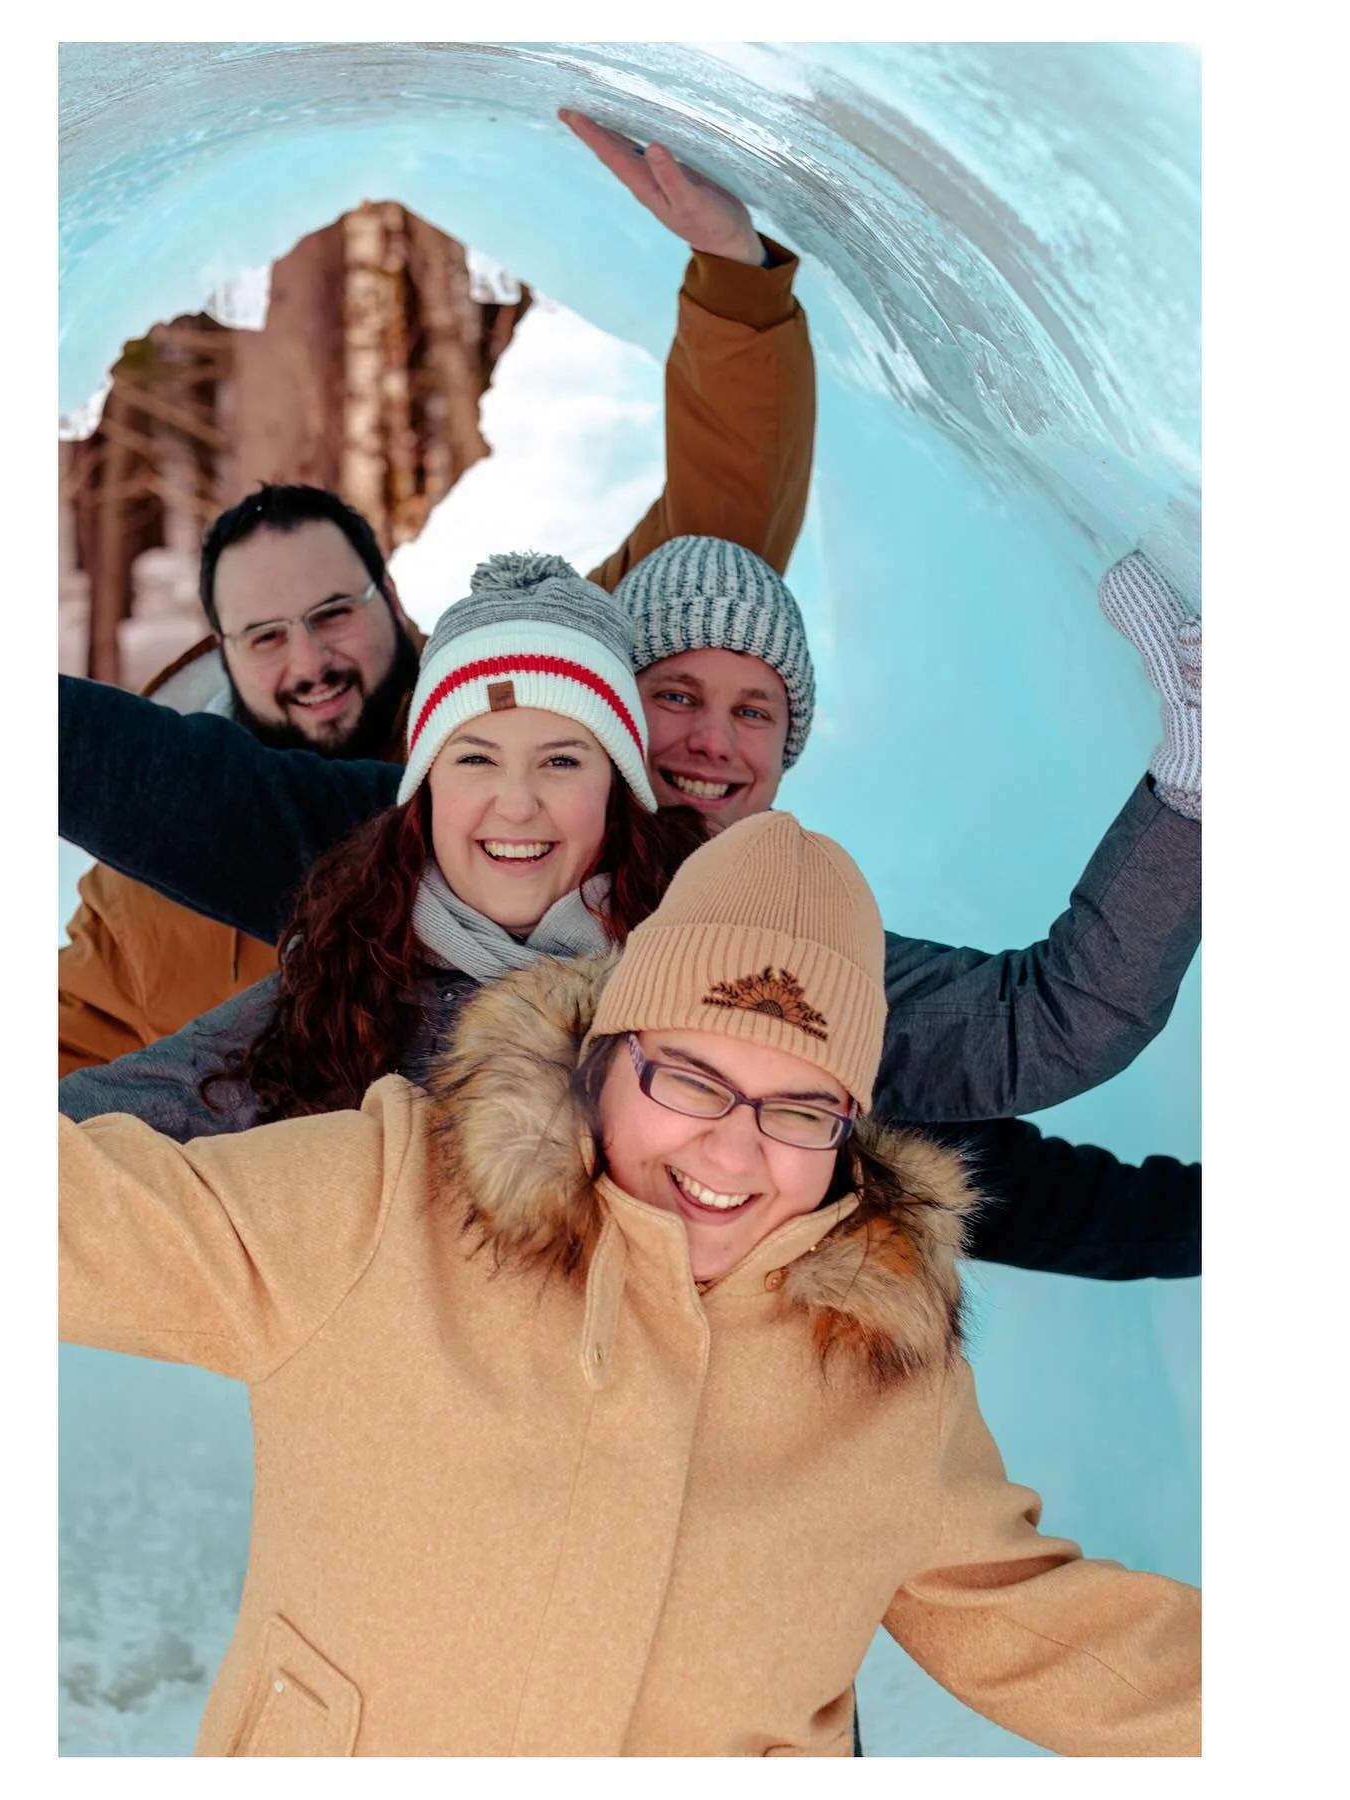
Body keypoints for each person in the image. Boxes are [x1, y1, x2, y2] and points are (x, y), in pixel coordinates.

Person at [60, 810, 1200, 1756]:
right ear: (606, 1056)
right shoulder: (389, 1199)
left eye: (801, 1108)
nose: (731, 1153)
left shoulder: (882, 1368)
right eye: (691, 1078)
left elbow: (1048, 1633)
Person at [58, 530, 1201, 1269]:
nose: (711, 742)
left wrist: (1193, 792)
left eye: (756, 711)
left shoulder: (760, 948)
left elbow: (1026, 1075)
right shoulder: (363, 907)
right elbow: (160, 787)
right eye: (678, 698)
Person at [58, 111, 815, 1074]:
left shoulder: (534, 694)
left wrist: (731, 278)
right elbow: (65, 1068)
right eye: (266, 635)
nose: (310, 662)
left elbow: (712, 543)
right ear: (222, 651)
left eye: (334, 613)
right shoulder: (154, 868)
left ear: (392, 602)